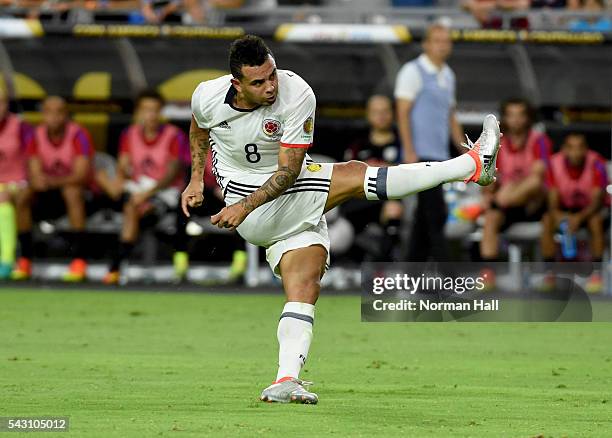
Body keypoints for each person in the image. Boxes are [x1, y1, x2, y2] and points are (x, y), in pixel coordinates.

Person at [181, 35, 501, 404]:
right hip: (247, 202)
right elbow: (198, 127)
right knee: (353, 174)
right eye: (258, 82)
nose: (270, 87)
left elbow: (289, 172)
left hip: (277, 198)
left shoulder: (297, 93)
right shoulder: (207, 94)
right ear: (236, 83)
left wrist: (242, 206)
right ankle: (470, 165)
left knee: (303, 286)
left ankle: (286, 378)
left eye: (272, 76)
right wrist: (196, 179)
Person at [395, 23, 466, 262]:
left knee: (424, 220)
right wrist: (409, 151)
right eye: (437, 40)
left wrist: (466, 150)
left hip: (440, 156)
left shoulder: (448, 74)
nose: (443, 46)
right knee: (436, 214)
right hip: (421, 155)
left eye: (446, 41)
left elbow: (451, 116)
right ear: (426, 44)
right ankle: (447, 278)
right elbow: (403, 112)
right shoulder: (412, 71)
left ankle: (411, 276)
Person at [102, 90, 186, 285]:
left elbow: (171, 174)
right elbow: (123, 165)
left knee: (133, 208)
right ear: (138, 112)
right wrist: (120, 179)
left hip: (165, 193)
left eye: (155, 110)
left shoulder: (174, 135)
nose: (151, 115)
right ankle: (115, 266)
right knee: (127, 201)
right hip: (137, 190)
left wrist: (146, 195)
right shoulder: (129, 134)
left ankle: (116, 267)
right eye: (146, 110)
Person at [12, 96, 93, 282]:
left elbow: (80, 174)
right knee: (23, 195)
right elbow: (34, 172)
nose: (54, 117)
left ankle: (79, 261)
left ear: (66, 115)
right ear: (43, 114)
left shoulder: (79, 135)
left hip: (81, 196)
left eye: (59, 112)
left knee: (72, 192)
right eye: (49, 112)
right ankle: (25, 259)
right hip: (47, 194)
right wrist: (39, 181)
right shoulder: (36, 135)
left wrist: (50, 180)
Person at [480, 98, 552, 263]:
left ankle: (500, 202)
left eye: (520, 115)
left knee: (533, 182)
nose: (516, 120)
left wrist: (510, 188)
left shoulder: (538, 140)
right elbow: (489, 178)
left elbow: (538, 175)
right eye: (511, 115)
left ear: (528, 118)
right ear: (504, 118)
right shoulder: (496, 143)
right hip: (507, 204)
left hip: (533, 202)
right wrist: (487, 194)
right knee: (490, 218)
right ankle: (488, 271)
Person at [541, 133, 609, 292]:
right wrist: (559, 215)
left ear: (586, 149)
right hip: (564, 208)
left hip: (590, 210)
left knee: (596, 221)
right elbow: (552, 198)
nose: (576, 152)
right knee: (547, 220)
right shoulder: (552, 163)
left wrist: (579, 218)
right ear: (564, 149)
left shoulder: (597, 163)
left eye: (580, 147)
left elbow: (597, 201)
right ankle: (549, 272)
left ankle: (596, 274)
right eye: (571, 148)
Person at [344, 94, 403, 261]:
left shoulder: (403, 144)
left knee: (394, 209)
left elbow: (409, 170)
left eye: (385, 111)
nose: (381, 116)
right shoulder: (358, 145)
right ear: (368, 115)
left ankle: (386, 263)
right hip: (358, 200)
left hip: (388, 199)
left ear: (392, 114)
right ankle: (349, 264)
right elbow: (346, 173)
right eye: (376, 112)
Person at [0, 89, 35, 279]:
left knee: (3, 204)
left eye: (1, 102)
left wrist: (23, 182)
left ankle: (6, 260)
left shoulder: (20, 127)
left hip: (16, 182)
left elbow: (34, 158)